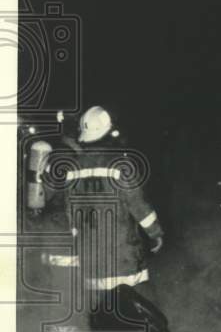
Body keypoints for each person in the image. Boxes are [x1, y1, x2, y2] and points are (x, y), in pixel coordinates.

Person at [63, 105, 164, 309]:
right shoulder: (120, 165)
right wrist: (155, 233)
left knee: (102, 311)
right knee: (136, 309)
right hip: (122, 255)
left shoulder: (73, 168)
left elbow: (70, 212)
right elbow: (138, 205)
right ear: (109, 131)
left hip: (90, 255)